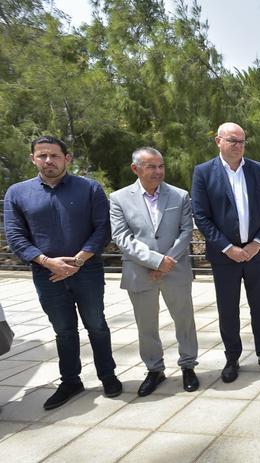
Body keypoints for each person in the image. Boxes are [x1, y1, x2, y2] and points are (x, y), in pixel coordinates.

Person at [3, 135, 121, 410]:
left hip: (87, 270)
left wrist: (77, 261)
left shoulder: (89, 188)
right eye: (42, 156)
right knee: (64, 330)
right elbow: (16, 237)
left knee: (97, 325)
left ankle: (108, 375)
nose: (48, 161)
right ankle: (70, 380)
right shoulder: (17, 193)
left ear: (67, 158)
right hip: (47, 275)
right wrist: (49, 262)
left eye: (54, 155)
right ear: (33, 159)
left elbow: (103, 228)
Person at [191, 122, 260, 383]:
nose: (238, 146)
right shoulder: (203, 172)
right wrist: (228, 248)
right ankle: (232, 357)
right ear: (218, 141)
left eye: (242, 141)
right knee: (228, 309)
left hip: (256, 254)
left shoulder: (258, 170)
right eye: (232, 140)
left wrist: (257, 243)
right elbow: (201, 216)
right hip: (224, 256)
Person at [109, 147, 199, 396]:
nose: (158, 171)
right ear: (135, 168)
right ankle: (154, 369)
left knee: (184, 321)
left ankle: (188, 366)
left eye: (161, 166)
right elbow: (122, 237)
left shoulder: (179, 195)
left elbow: (185, 232)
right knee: (146, 325)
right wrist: (155, 261)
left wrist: (167, 262)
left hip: (176, 269)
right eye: (151, 167)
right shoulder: (119, 198)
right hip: (140, 272)